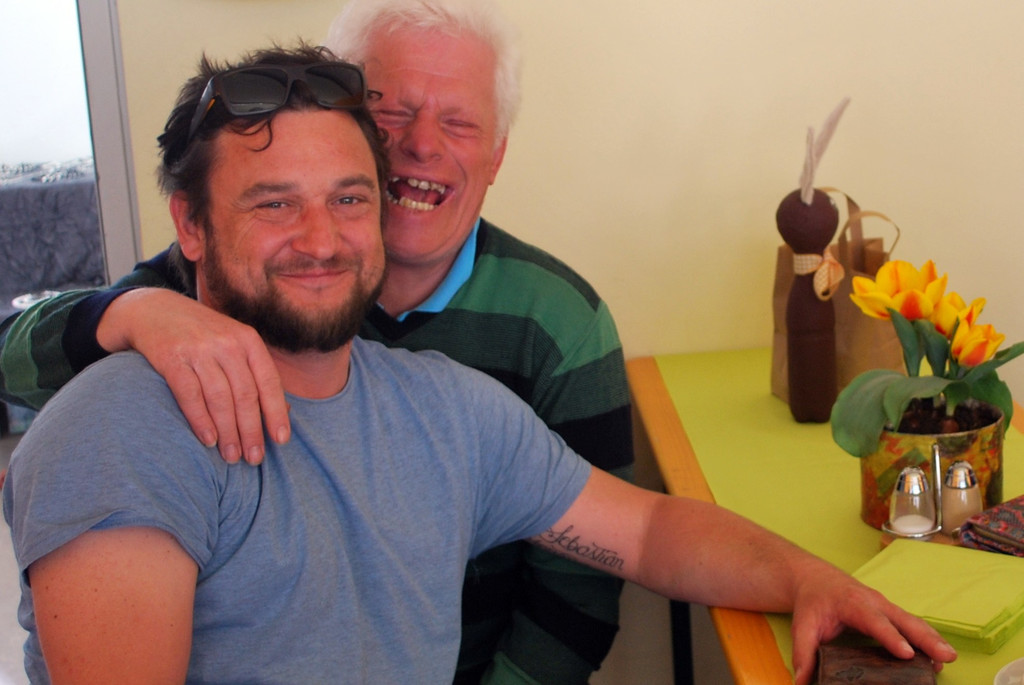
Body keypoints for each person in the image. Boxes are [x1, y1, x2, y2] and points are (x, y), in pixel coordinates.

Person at [2, 45, 956, 685]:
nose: (321, 238)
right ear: (190, 225)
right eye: (273, 204)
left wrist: (807, 579)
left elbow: (650, 533)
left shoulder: (445, 410)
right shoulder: (124, 429)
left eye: (349, 198)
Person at [0, 2, 634, 681]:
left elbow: (584, 583)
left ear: (496, 155)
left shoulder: (556, 322)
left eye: (459, 122)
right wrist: (131, 312)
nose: (421, 145)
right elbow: (20, 363)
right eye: (392, 112)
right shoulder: (214, 274)